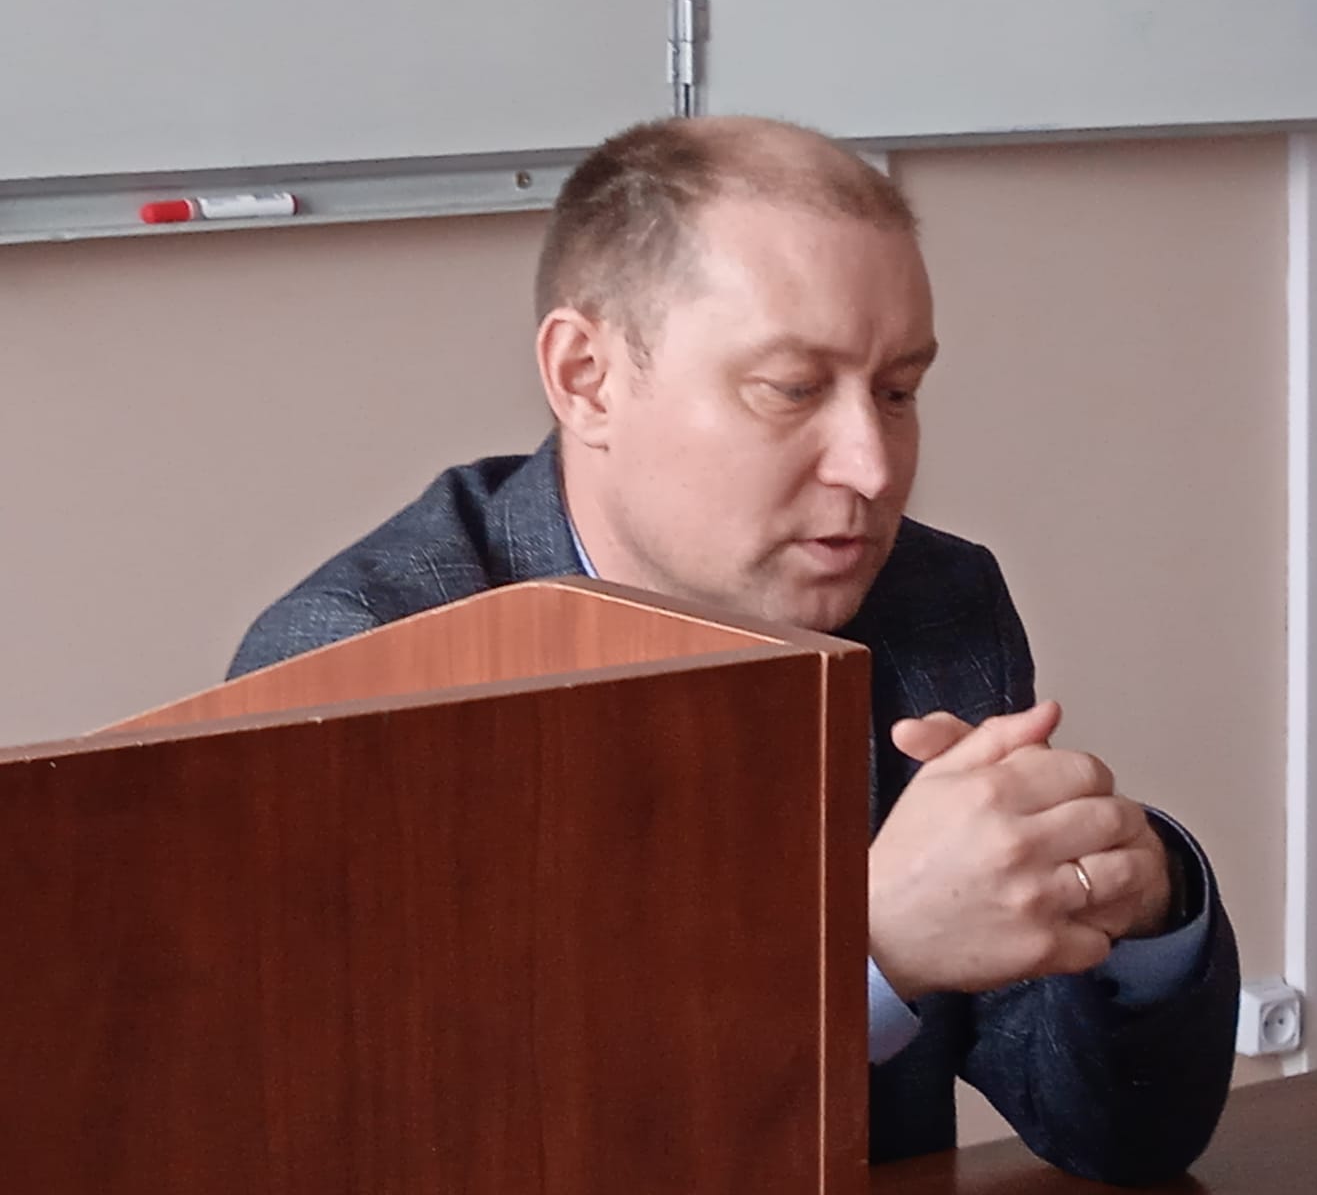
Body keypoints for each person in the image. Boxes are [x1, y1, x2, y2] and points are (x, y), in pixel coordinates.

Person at [230, 115, 1240, 1185]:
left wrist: (1142, 906)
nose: (871, 467)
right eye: (793, 389)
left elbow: (1122, 1141)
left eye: (898, 392)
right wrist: (864, 955)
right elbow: (412, 1145)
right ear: (587, 377)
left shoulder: (935, 602)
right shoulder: (351, 671)